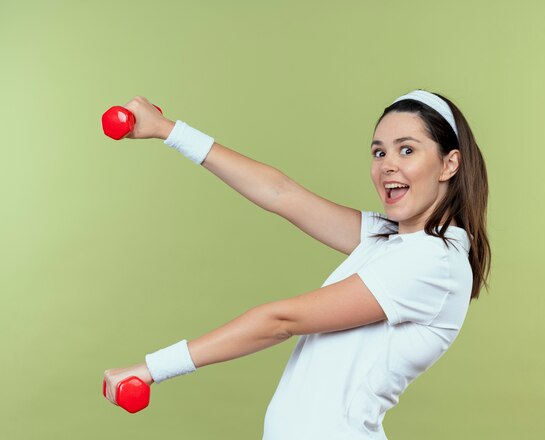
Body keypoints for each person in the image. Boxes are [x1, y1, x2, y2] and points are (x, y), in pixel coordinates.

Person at [103, 89, 491, 439]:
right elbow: (280, 192)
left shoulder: (432, 260)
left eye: (407, 149)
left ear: (448, 165)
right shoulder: (393, 239)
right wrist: (168, 130)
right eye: (379, 152)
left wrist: (151, 369)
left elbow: (279, 321)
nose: (388, 164)